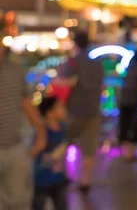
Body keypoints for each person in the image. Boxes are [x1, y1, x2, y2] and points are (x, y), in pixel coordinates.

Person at [0, 32, 46, 209]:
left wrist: (41, 131)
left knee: (18, 200)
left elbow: (25, 102)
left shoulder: (15, 71)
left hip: (15, 146)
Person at [59, 31, 105, 193]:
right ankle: (85, 181)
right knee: (89, 147)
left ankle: (63, 175)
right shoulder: (97, 63)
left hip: (74, 110)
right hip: (93, 109)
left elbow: (66, 83)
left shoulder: (73, 62)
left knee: (65, 143)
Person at [32, 96, 68, 210]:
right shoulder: (41, 132)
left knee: (61, 205)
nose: (64, 110)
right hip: (41, 180)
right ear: (49, 113)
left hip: (59, 179)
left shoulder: (62, 128)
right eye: (60, 107)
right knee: (38, 205)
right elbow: (33, 152)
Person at [119, 50, 137, 161]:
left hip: (125, 100)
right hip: (134, 101)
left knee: (125, 126)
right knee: (133, 126)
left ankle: (126, 153)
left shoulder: (129, 67)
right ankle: (130, 153)